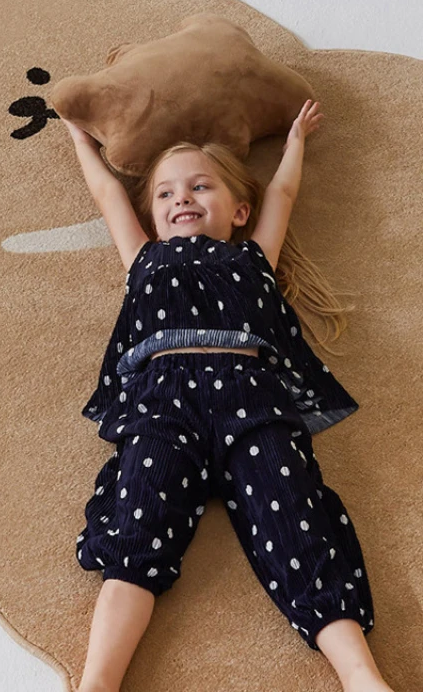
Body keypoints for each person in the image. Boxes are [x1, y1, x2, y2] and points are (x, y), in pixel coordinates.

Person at [63, 102, 395, 692]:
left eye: (199, 186)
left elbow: (284, 195)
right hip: (161, 402)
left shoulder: (252, 256)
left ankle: (361, 676)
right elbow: (106, 193)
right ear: (154, 217)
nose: (180, 198)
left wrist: (295, 141)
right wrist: (78, 135)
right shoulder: (143, 256)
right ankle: (97, 683)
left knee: (298, 518)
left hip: (251, 398)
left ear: (240, 210)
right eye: (164, 195)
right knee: (137, 531)